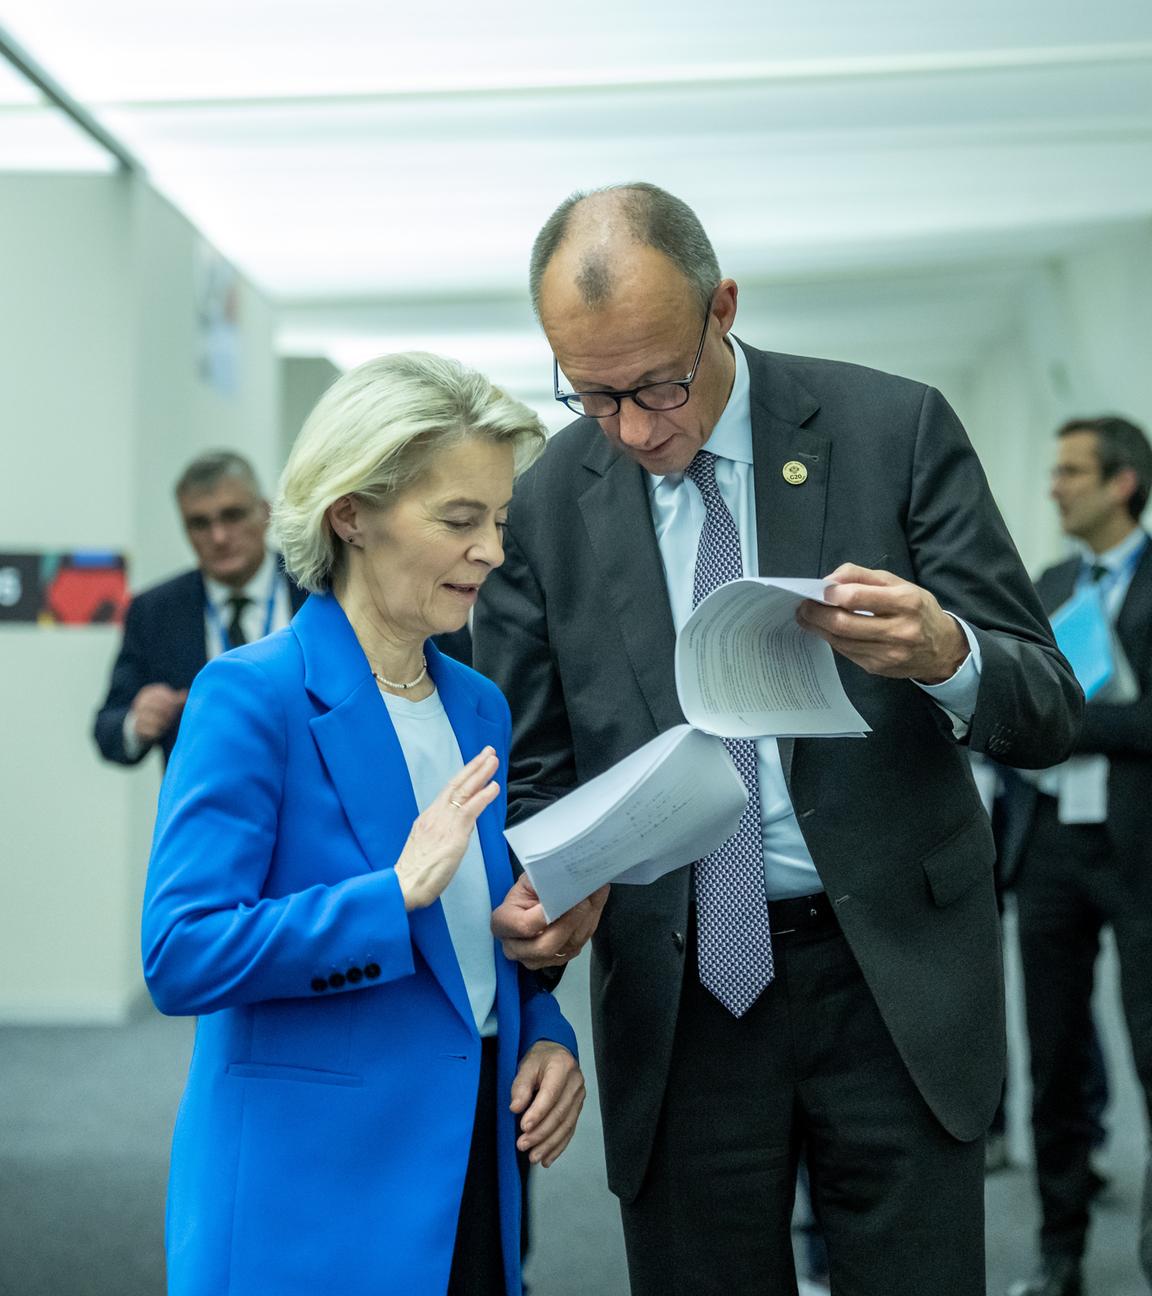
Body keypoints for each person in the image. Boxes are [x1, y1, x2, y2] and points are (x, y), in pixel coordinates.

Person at [473, 183, 1082, 1296]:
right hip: (682, 984)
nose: (639, 427)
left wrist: (947, 652)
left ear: (724, 309)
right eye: (594, 395)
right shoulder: (545, 503)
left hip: (891, 974)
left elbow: (1047, 704)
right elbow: (537, 769)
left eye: (661, 382)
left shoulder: (889, 431)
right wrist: (550, 886)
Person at [141, 353, 584, 1296]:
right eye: (460, 520)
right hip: (308, 1196)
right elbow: (181, 952)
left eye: (499, 522)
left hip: (471, 1162)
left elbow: (473, 942)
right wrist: (390, 896)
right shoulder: (250, 696)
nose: (493, 553)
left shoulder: (478, 706)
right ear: (352, 514)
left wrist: (544, 1026)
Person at [1008, 415, 1152, 1296]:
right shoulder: (1052, 583)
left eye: (1071, 471)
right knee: (1053, 1058)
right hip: (1051, 848)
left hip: (1141, 852)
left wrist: (1067, 721)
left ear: (1122, 483)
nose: (1055, 486)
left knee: (1150, 1053)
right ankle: (1059, 1251)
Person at [93, 449, 470, 768]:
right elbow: (107, 728)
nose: (219, 536)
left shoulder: (327, 585)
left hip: (328, 798)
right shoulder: (156, 611)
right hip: (213, 811)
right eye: (200, 523)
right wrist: (135, 722)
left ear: (264, 512)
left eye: (232, 515)